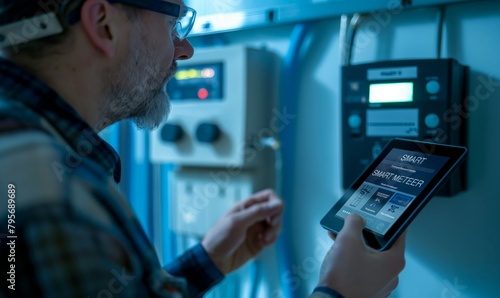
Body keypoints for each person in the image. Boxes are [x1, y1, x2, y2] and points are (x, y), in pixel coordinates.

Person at [0, 0, 406, 297]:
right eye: (174, 25)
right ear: (103, 24)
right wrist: (341, 295)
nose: (185, 49)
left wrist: (204, 262)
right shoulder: (49, 191)